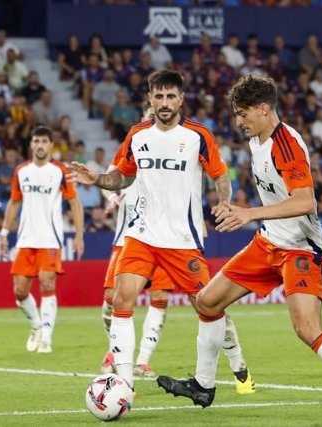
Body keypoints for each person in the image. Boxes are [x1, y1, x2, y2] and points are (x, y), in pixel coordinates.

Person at [155, 74, 322, 420]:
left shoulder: (287, 144)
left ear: (264, 109)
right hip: (269, 241)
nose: (238, 121)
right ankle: (203, 386)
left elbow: (305, 201)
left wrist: (250, 213)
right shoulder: (257, 141)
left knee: (307, 329)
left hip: (299, 248)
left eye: (243, 113)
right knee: (207, 301)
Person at [68, 70, 240, 393]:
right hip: (142, 235)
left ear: (181, 98)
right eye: (158, 96)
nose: (164, 103)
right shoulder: (137, 135)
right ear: (150, 98)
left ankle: (206, 382)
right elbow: (122, 177)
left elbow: (220, 175)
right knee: (122, 297)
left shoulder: (198, 136)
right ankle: (124, 382)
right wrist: (97, 180)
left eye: (170, 96)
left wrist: (225, 202)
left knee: (208, 306)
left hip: (182, 240)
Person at [98, 108, 255, 394]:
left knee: (205, 304)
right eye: (150, 109)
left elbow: (213, 177)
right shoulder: (136, 141)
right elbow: (114, 176)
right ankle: (123, 365)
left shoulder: (190, 139)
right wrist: (110, 195)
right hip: (135, 237)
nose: (154, 115)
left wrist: (207, 210)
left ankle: (237, 363)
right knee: (114, 301)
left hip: (178, 240)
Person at [0, 126, 85, 354]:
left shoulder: (60, 171)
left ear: (50, 145)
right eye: (36, 141)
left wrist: (78, 234)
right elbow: (14, 203)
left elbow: (74, 203)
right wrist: (4, 232)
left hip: (50, 239)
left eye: (44, 141)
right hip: (26, 239)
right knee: (19, 291)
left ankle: (46, 337)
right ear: (31, 145)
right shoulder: (21, 171)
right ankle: (36, 325)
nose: (40, 145)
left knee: (47, 283)